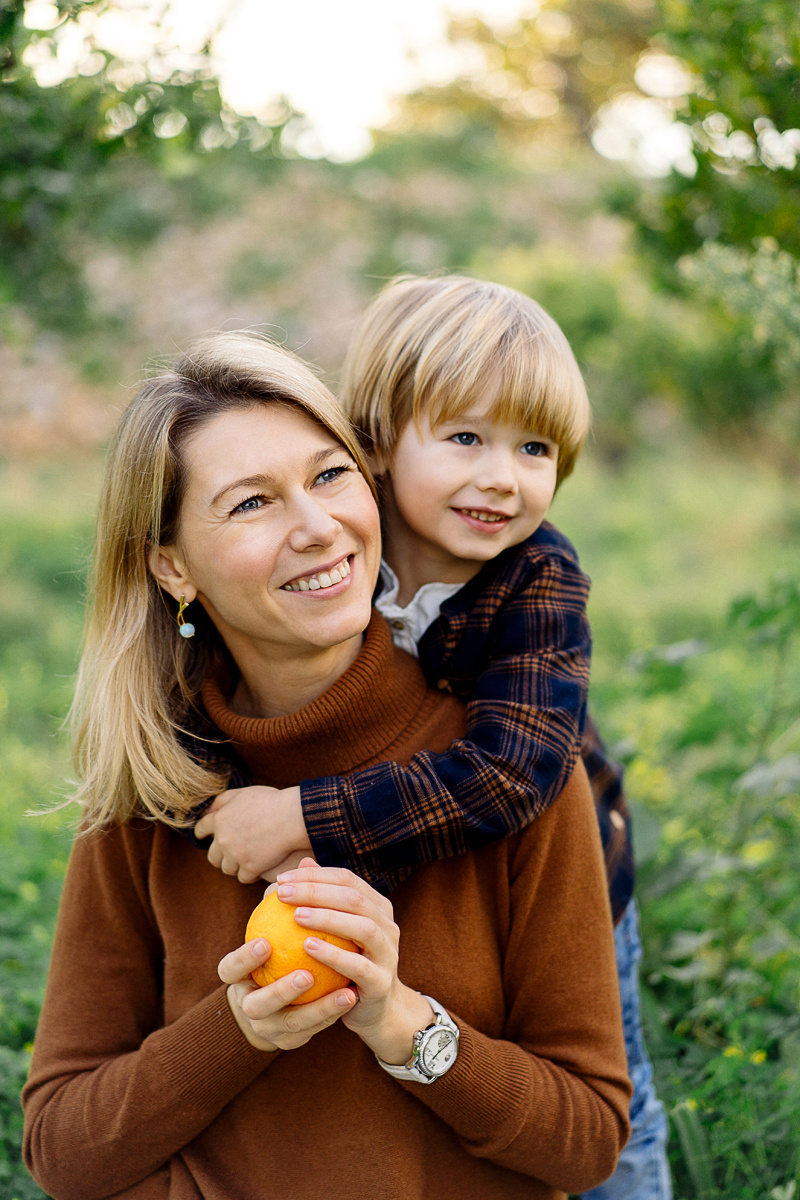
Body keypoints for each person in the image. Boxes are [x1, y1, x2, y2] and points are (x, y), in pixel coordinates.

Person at [22, 331, 631, 1200]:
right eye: (250, 504)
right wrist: (241, 1029)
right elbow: (63, 1151)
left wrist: (400, 1021)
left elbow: (587, 1143)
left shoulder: (512, 772)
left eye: (330, 476)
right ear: (171, 565)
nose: (317, 528)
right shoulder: (152, 793)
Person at [194, 277, 671, 1200]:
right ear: (375, 444)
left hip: (570, 885)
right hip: (409, 874)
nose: (503, 476)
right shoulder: (334, 543)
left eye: (535, 448)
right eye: (465, 438)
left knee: (614, 1096)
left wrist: (305, 814)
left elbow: (511, 775)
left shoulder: (538, 578)